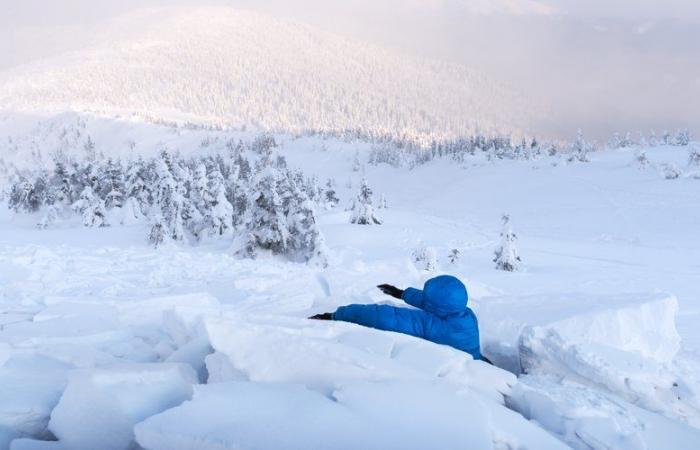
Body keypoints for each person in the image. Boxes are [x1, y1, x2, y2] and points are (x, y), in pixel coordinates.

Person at [310, 275, 485, 361]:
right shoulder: (465, 313)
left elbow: (383, 317)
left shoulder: (432, 324)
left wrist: (337, 314)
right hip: (480, 361)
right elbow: (432, 303)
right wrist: (402, 294)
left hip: (463, 373)